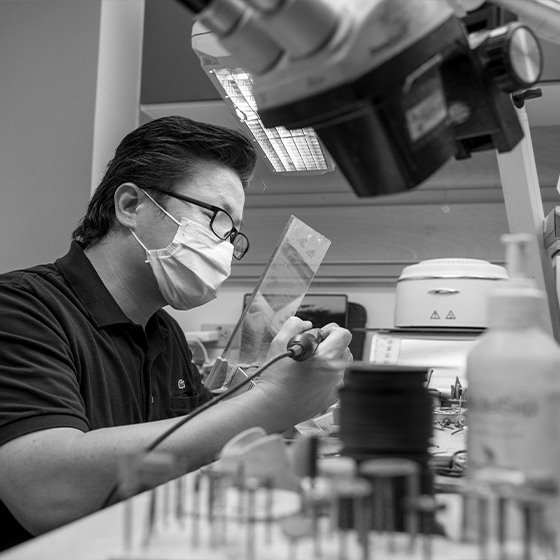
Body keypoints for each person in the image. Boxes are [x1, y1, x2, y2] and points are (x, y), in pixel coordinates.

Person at [0, 116, 352, 551]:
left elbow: (191, 454)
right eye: (215, 218)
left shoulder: (164, 333)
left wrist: (276, 392)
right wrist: (273, 401)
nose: (225, 247)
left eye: (233, 235)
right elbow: (46, 492)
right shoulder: (20, 308)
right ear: (130, 205)